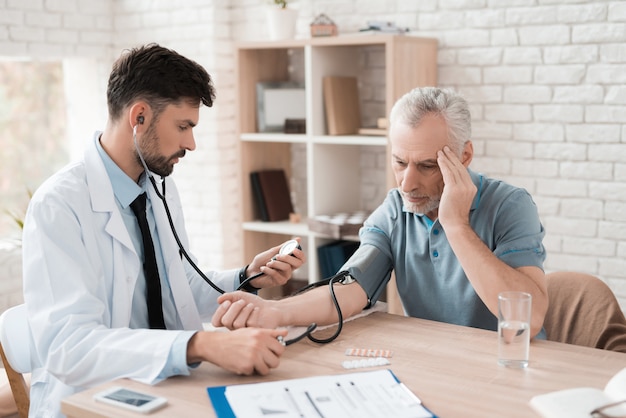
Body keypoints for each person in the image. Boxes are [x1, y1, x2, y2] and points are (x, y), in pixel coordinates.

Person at [21, 43, 304, 417]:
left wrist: (246, 277)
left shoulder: (158, 184)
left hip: (165, 387)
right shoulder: (57, 206)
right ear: (139, 117)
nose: (191, 143)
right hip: (92, 399)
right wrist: (198, 345)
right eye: (183, 126)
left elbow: (177, 282)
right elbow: (68, 347)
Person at [211, 87, 549, 341]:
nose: (407, 182)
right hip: (439, 362)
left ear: (464, 156)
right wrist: (273, 311)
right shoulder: (394, 210)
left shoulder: (510, 205)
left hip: (508, 368)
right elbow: (348, 292)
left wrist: (457, 226)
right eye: (400, 162)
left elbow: (528, 321)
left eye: (427, 166)